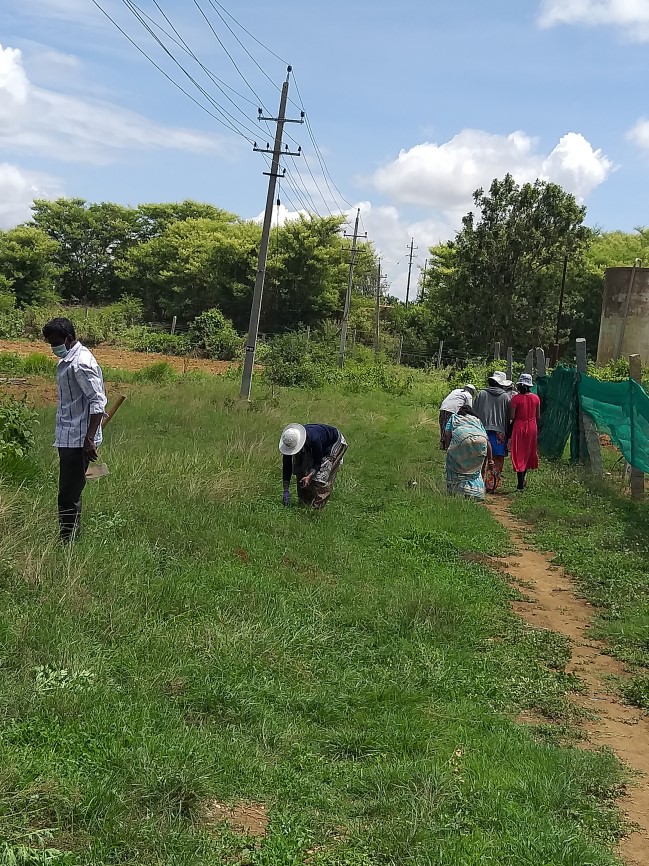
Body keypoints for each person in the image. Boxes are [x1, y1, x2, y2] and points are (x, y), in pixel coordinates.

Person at [42, 317, 107, 542]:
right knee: (71, 489)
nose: (53, 348)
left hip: (78, 440)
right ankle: (69, 537)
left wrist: (89, 439)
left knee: (68, 495)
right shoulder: (70, 359)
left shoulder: (81, 363)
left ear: (69, 339)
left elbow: (98, 402)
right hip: (68, 435)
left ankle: (68, 542)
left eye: (55, 342)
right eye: (50, 343)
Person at [280, 423, 347, 510]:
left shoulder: (314, 438)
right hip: (312, 445)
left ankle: (316, 511)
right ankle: (303, 504)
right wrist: (286, 489)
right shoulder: (289, 442)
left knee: (320, 479)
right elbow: (287, 465)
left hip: (332, 444)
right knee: (300, 470)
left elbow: (318, 462)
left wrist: (310, 475)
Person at [443, 406, 494, 500]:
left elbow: (447, 434)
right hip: (480, 441)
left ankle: (455, 491)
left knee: (454, 466)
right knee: (475, 470)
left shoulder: (454, 417)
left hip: (461, 439)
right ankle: (475, 493)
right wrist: (490, 460)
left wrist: (448, 448)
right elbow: (487, 441)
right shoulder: (477, 420)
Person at [474, 371, 512, 493]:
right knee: (497, 460)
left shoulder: (481, 394)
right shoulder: (506, 397)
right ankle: (491, 485)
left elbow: (474, 412)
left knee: (480, 459)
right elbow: (508, 416)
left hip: (481, 430)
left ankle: (477, 483)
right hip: (499, 433)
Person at [509, 373, 541, 492]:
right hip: (532, 426)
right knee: (528, 452)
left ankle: (520, 483)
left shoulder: (515, 399)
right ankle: (522, 480)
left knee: (519, 453)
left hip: (519, 426)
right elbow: (538, 415)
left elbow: (512, 416)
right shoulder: (536, 398)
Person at [438, 384, 477, 449]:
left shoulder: (456, 391)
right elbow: (469, 408)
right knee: (450, 428)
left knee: (443, 427)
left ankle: (443, 444)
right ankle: (448, 446)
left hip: (443, 408)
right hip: (452, 411)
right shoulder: (468, 395)